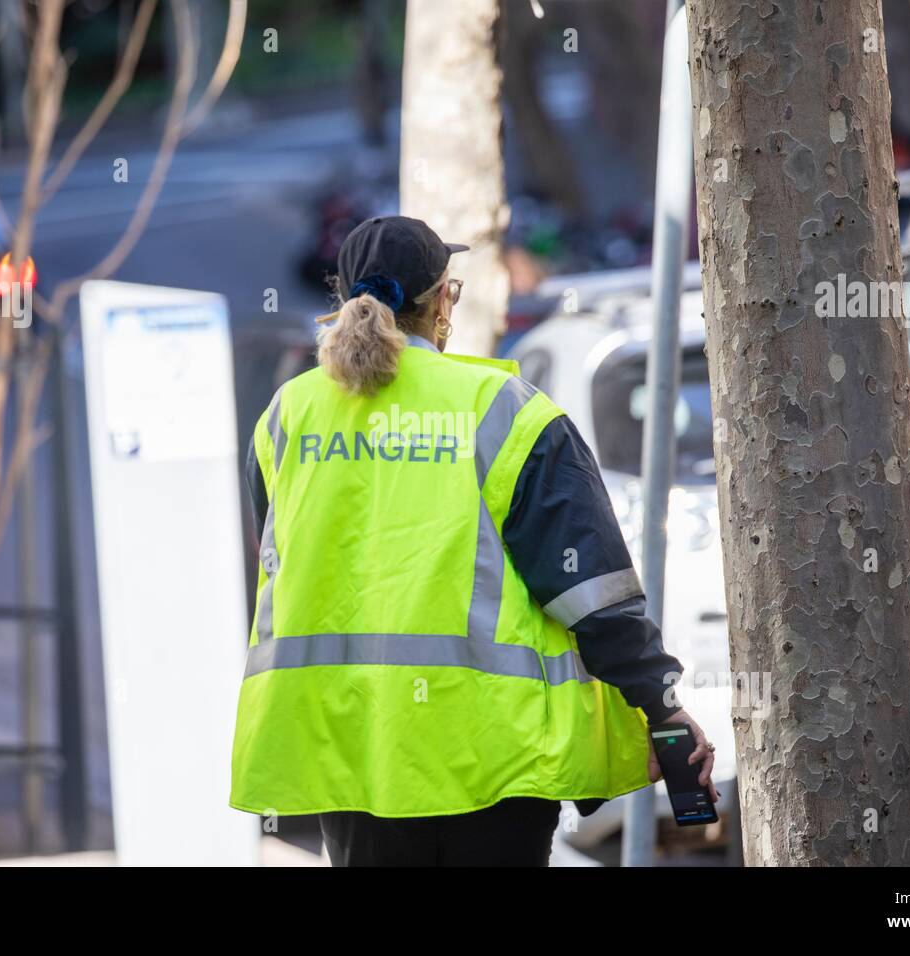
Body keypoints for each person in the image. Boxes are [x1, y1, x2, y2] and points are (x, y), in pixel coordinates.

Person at [230, 215, 718, 866]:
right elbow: (590, 589)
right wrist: (659, 707)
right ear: (443, 300)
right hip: (494, 752)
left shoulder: (288, 416)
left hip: (353, 747)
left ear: (343, 301)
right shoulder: (503, 409)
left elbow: (280, 562)